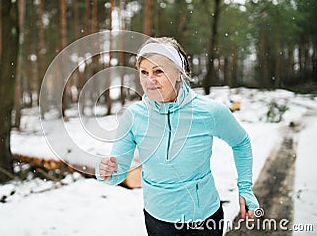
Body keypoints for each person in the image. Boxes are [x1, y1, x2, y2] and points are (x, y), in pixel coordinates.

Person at [95, 37, 259, 235]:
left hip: (204, 220)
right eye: (144, 72)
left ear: (179, 74)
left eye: (158, 71)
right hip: (158, 221)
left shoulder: (209, 112)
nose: (150, 80)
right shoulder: (133, 116)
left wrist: (245, 188)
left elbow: (241, 142)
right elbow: (118, 173)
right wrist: (105, 170)